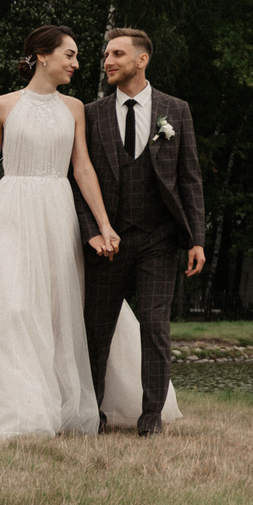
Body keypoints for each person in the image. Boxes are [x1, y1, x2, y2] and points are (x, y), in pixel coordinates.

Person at [0, 26, 118, 439]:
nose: (77, 64)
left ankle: (52, 402)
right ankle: (17, 409)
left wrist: (103, 223)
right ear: (41, 55)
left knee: (51, 309)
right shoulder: (2, 106)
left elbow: (82, 168)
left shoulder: (75, 109)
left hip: (56, 212)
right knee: (13, 305)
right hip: (12, 211)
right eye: (69, 54)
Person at [79, 27, 207, 435]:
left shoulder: (177, 110)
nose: (108, 61)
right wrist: (92, 232)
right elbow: (76, 181)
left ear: (142, 59)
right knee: (96, 330)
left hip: (158, 239)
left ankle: (150, 419)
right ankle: (91, 413)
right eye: (105, 56)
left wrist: (197, 239)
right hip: (107, 242)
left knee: (155, 327)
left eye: (117, 54)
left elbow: (190, 179)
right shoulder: (90, 113)